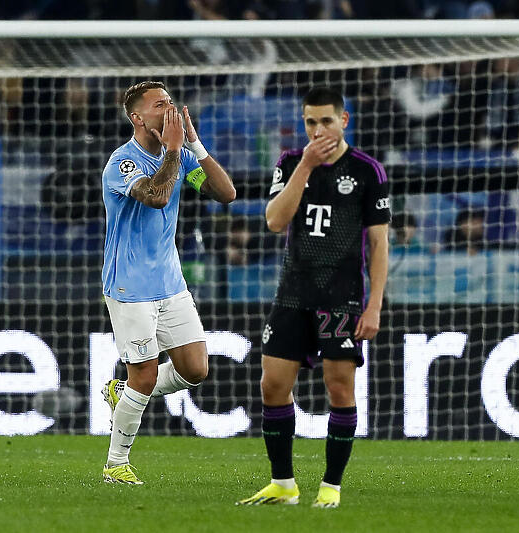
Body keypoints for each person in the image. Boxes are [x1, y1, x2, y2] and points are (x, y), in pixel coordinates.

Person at [237, 88, 390, 508]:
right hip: (292, 294)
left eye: (325, 121)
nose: (317, 129)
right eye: (310, 122)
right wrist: (305, 165)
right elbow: (273, 220)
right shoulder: (290, 162)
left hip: (340, 298)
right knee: (272, 386)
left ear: (345, 121)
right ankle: (283, 483)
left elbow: (379, 244)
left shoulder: (367, 171)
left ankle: (331, 487)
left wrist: (375, 303)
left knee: (339, 389)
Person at [100, 81, 235, 484]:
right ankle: (116, 464)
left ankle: (123, 396)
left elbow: (225, 193)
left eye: (172, 102)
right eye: (161, 105)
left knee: (195, 370)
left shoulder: (181, 156)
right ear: (137, 118)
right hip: (130, 286)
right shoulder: (121, 163)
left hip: (170, 283)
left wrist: (195, 143)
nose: (170, 108)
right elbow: (156, 195)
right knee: (143, 374)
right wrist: (176, 151)